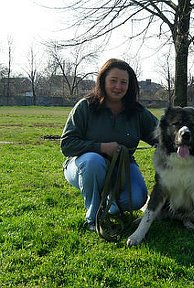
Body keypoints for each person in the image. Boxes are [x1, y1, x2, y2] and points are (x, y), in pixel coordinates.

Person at [60, 58, 159, 231]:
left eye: (123, 82)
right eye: (113, 81)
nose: (118, 87)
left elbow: (164, 136)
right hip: (83, 166)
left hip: (122, 167)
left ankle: (110, 204)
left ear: (130, 85)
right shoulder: (85, 107)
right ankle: (93, 218)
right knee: (92, 161)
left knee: (137, 199)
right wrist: (101, 147)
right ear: (103, 80)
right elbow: (67, 144)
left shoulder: (137, 112)